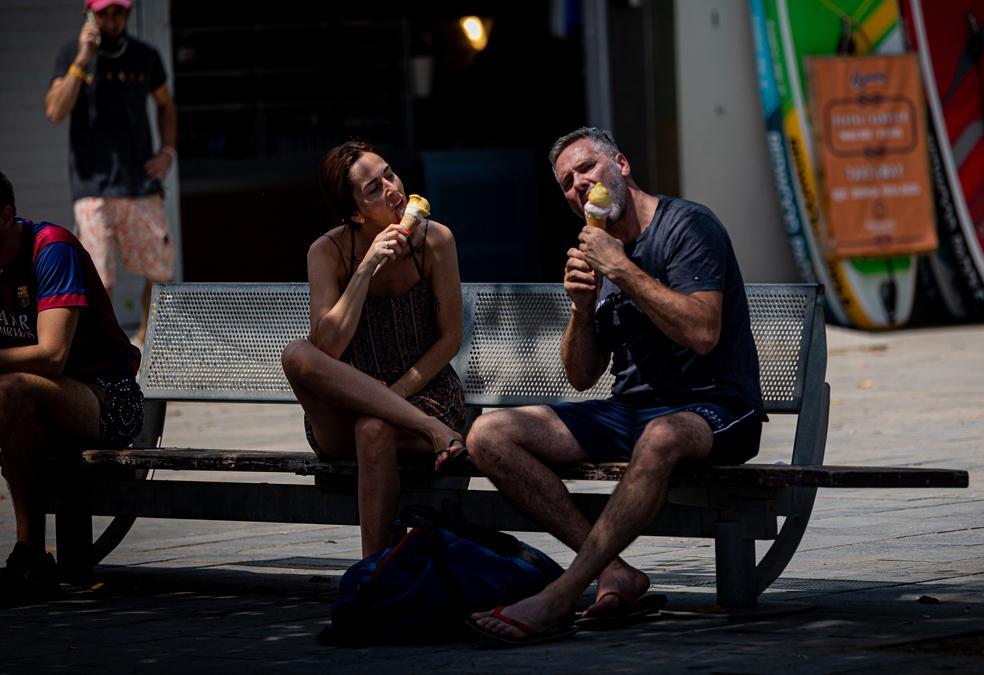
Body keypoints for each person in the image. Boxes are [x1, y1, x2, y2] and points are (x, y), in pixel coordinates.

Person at [466, 128, 764, 643]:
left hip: (716, 406)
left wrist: (620, 269)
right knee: (489, 435)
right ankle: (614, 571)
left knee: (663, 436)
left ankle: (560, 595)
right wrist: (581, 309)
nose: (579, 185)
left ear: (620, 164)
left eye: (587, 169)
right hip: (632, 410)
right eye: (566, 182)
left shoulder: (688, 226)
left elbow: (702, 332)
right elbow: (581, 375)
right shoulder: (598, 249)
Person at [281, 141, 466, 557]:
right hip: (348, 403)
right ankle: (436, 435)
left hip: (425, 394)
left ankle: (374, 572)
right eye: (373, 188)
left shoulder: (435, 241)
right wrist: (365, 270)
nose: (391, 188)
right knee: (296, 354)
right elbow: (325, 348)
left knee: (373, 428)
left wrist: (391, 398)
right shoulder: (327, 252)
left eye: (389, 174)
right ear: (354, 213)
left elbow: (449, 339)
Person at [0, 170, 144, 607]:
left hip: (108, 398)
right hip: (38, 401)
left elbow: (52, 355)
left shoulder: (50, 247)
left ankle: (30, 557)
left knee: (10, 392)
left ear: (5, 216)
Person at [44, 0, 178, 348]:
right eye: (103, 13)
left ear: (128, 14)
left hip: (140, 182)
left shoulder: (144, 55)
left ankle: (146, 344)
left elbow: (166, 103)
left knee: (160, 270)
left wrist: (167, 151)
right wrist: (81, 61)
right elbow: (55, 111)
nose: (111, 21)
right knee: (97, 279)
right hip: (93, 186)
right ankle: (106, 351)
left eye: (118, 12)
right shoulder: (71, 54)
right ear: (89, 14)